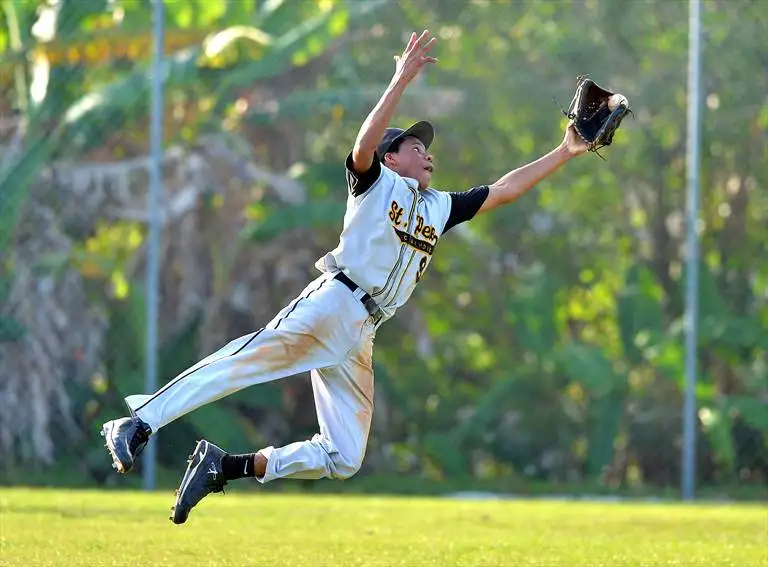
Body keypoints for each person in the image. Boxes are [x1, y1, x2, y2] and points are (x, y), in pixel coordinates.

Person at [100, 30, 588, 524]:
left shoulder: (440, 208)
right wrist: (400, 78)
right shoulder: (376, 183)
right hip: (334, 302)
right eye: (416, 145)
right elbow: (362, 145)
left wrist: (566, 150)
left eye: (427, 147)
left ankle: (224, 467)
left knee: (343, 456)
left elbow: (504, 189)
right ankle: (138, 421)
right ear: (392, 156)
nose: (427, 153)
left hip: (361, 332)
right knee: (242, 362)